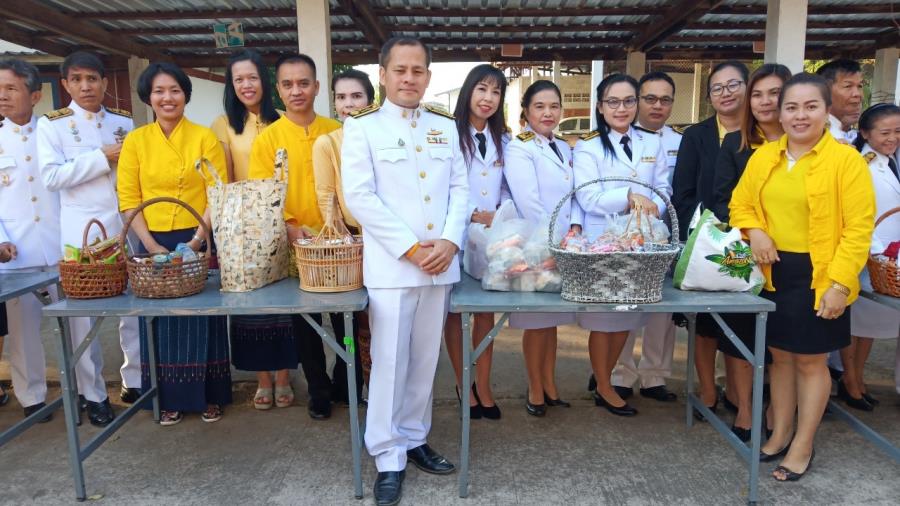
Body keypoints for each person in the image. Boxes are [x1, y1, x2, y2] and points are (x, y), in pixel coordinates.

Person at [730, 73, 874, 481]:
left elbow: (858, 229)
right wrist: (756, 232)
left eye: (811, 106)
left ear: (827, 111)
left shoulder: (846, 161)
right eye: (791, 107)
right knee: (780, 357)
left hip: (822, 274)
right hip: (774, 272)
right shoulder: (765, 156)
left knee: (811, 361)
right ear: (780, 114)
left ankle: (803, 444)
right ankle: (780, 432)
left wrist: (840, 284)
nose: (800, 115)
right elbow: (740, 205)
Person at [343, 36, 467, 506]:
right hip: (395, 267)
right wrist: (412, 248)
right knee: (390, 362)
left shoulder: (444, 126)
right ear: (383, 74)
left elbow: (460, 188)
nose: (409, 78)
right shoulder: (363, 127)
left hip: (440, 265)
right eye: (400, 69)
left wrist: (450, 241)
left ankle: (414, 437)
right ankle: (387, 454)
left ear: (428, 77)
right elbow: (360, 197)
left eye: (418, 70)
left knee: (424, 360)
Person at [117, 62, 231, 426]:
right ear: (148, 97)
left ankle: (210, 395)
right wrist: (151, 246)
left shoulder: (204, 137)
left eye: (175, 90)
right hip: (151, 240)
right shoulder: (136, 141)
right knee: (161, 324)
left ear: (186, 95)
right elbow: (129, 199)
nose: (167, 98)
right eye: (159, 91)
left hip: (198, 237)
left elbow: (217, 192)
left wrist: (196, 241)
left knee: (203, 318)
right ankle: (166, 398)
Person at [36, 51, 138, 426]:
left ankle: (135, 380)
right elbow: (52, 177)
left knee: (133, 308)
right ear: (65, 84)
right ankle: (93, 394)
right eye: (77, 79)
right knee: (84, 318)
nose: (85, 86)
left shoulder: (123, 122)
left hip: (123, 225)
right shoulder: (53, 125)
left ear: (105, 82)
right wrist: (100, 157)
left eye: (92, 79)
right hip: (82, 230)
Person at [248, 53, 341, 420]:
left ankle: (346, 381)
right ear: (278, 90)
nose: (296, 91)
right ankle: (319, 390)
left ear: (316, 87)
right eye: (287, 84)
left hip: (340, 241)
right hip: (296, 244)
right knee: (306, 323)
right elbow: (263, 194)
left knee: (346, 320)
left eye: (304, 83)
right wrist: (289, 226)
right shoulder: (268, 139)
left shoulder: (337, 131)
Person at [574, 73, 670, 417]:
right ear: (600, 107)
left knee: (628, 316)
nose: (622, 108)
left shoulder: (651, 143)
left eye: (629, 101)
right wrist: (628, 196)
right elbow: (587, 197)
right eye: (613, 102)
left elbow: (663, 187)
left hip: (642, 240)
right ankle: (604, 384)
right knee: (605, 319)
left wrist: (654, 205)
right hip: (603, 241)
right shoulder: (588, 146)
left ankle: (605, 381)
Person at [209, 50, 295, 412]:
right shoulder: (223, 125)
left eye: (253, 77)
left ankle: (285, 375)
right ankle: (263, 378)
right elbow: (225, 179)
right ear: (231, 84)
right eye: (238, 79)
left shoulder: (284, 120)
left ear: (265, 81)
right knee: (252, 304)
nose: (246, 85)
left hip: (281, 218)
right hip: (244, 228)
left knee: (285, 302)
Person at [710, 63, 792, 441]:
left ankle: (776, 410)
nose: (764, 101)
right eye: (757, 94)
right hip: (742, 253)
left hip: (793, 256)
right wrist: (753, 234)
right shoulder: (735, 143)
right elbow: (721, 201)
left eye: (774, 93)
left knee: (783, 340)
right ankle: (744, 408)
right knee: (740, 335)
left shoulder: (808, 144)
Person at [672, 60, 748, 417]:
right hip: (705, 237)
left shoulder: (761, 133)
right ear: (709, 96)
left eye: (733, 85)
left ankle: (738, 392)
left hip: (751, 237)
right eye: (717, 88)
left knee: (742, 321)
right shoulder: (696, 135)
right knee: (704, 321)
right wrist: (704, 229)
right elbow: (682, 191)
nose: (725, 93)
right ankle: (706, 390)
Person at [601, 71, 682, 404]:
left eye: (665, 99)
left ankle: (654, 375)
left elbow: (665, 187)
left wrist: (652, 211)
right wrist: (631, 203)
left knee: (659, 309)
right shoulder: (602, 139)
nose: (657, 105)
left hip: (655, 233)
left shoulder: (673, 140)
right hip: (614, 234)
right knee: (621, 306)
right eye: (649, 98)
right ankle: (618, 374)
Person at [504, 80, 582, 417]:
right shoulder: (519, 147)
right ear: (526, 111)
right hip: (537, 244)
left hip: (563, 244)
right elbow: (529, 202)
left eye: (554, 106)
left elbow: (573, 194)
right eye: (539, 106)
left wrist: (573, 230)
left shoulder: (563, 146)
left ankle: (550, 384)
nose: (548, 113)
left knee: (553, 321)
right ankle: (535, 387)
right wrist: (554, 240)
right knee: (536, 321)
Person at [442, 64, 509, 421]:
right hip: (457, 235)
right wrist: (472, 214)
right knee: (455, 313)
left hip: (492, 237)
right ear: (468, 91)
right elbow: (441, 185)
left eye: (496, 92)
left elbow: (509, 186)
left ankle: (483, 385)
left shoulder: (505, 139)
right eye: (482, 89)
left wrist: (501, 212)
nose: (488, 98)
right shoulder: (448, 134)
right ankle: (462, 383)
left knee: (485, 312)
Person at [0, 58, 61, 422]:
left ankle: (89, 393)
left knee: (79, 326)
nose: (2, 96)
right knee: (23, 334)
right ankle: (32, 398)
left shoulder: (54, 133)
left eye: (11, 88)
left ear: (35, 95)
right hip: (16, 253)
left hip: (60, 247)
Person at [311, 68, 375, 406]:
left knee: (387, 323)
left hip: (391, 244)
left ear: (371, 101)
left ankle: (389, 391)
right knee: (358, 325)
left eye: (356, 96)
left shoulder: (384, 138)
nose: (348, 104)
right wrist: (344, 242)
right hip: (353, 246)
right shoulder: (328, 143)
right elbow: (327, 198)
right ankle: (363, 387)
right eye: (341, 97)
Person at [838, 103, 900, 411]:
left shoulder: (892, 161)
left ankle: (858, 376)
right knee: (856, 324)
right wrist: (876, 251)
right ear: (865, 133)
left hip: (889, 258)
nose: (892, 138)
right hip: (868, 254)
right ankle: (849, 379)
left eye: (898, 132)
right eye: (884, 132)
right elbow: (858, 214)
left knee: (872, 325)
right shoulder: (861, 165)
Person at [816, 59, 863, 145]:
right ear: (825, 91)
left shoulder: (864, 138)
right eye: (848, 86)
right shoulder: (816, 136)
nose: (857, 94)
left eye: (860, 86)